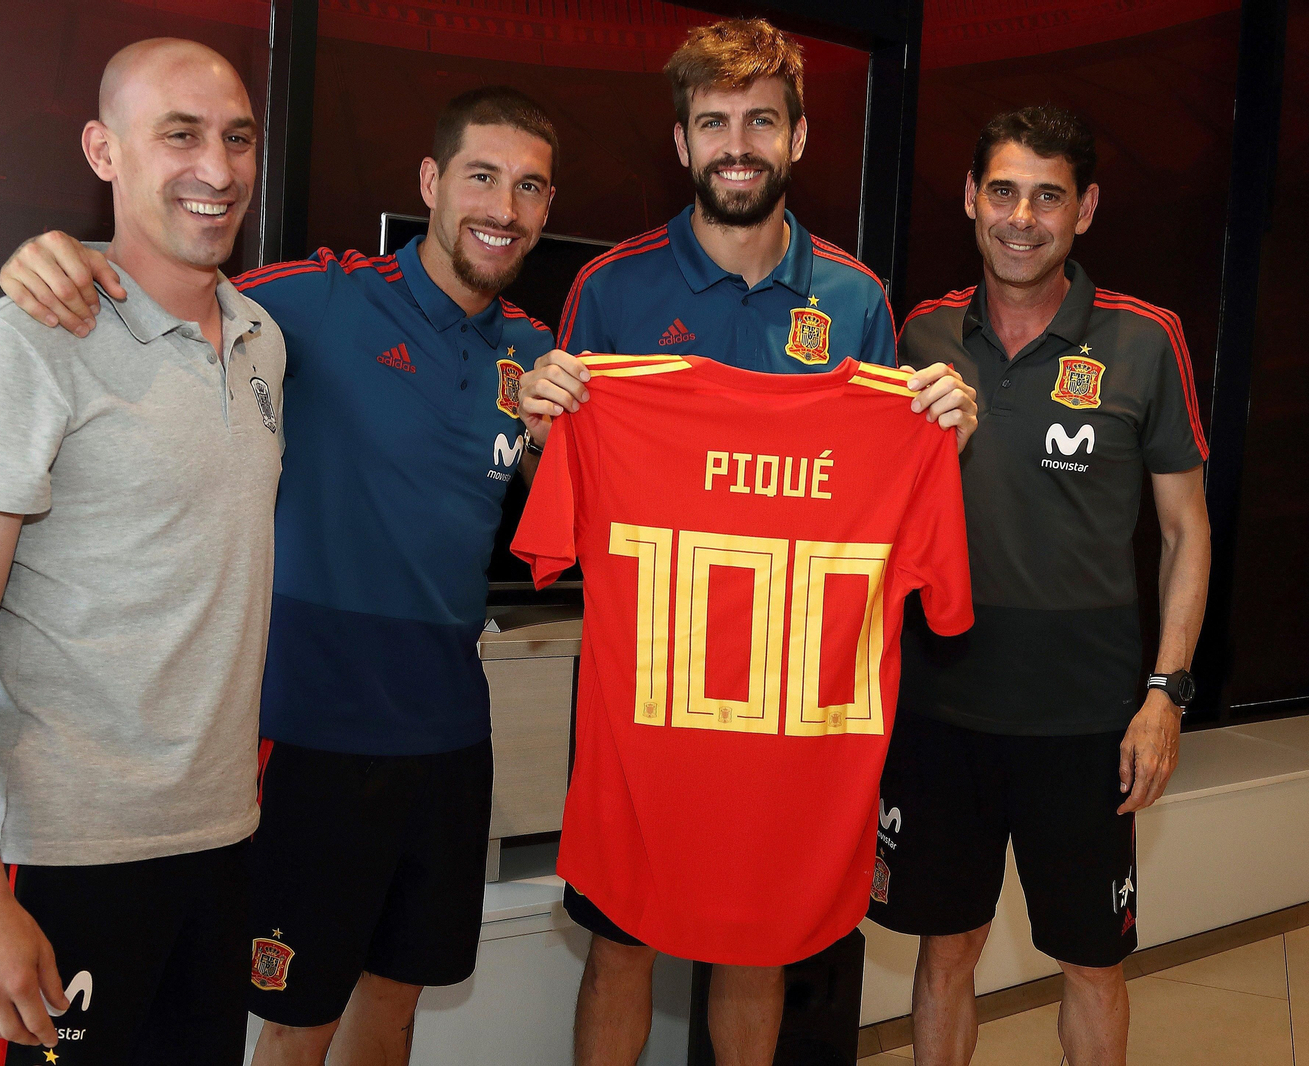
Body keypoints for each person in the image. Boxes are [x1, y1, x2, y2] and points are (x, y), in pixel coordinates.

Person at [0, 87, 560, 1066]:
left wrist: (562, 448)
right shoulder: (319, 298)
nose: (502, 206)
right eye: (480, 176)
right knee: (298, 1024)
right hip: (311, 737)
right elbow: (163, 281)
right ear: (430, 182)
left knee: (395, 1009)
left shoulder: (536, 353)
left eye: (529, 187)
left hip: (453, 739)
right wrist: (65, 257)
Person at [517, 19, 979, 1066]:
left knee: (756, 953)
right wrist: (550, 424)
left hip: (787, 713)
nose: (737, 143)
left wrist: (944, 429)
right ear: (680, 144)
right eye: (713, 122)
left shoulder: (855, 300)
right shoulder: (613, 290)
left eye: (759, 121)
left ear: (797, 138)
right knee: (622, 948)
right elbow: (559, 509)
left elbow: (883, 487)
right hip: (649, 701)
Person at [0, 38, 282, 1066]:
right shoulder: (10, 347)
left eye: (237, 137)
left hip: (218, 848)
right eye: (180, 135)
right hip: (58, 864)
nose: (218, 166)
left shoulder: (259, 339)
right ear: (102, 151)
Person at [866, 105, 1212, 1066]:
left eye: (1049, 196)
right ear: (973, 199)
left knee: (1092, 963)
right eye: (1005, 191)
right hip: (941, 706)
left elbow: (1187, 532)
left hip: (1086, 719)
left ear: (1086, 208)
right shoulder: (919, 335)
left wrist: (1164, 694)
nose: (1024, 217)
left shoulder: (1146, 340)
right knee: (948, 949)